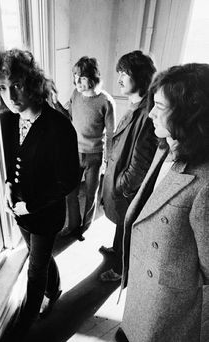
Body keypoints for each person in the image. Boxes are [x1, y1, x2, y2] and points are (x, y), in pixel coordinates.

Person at [0, 48, 79, 337]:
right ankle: (56, 286)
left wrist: (31, 205)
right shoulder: (10, 118)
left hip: (45, 214)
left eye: (17, 85)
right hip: (21, 213)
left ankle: (24, 326)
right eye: (2, 88)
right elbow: (14, 158)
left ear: (32, 82)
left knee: (35, 269)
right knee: (39, 254)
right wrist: (7, 186)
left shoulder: (59, 126)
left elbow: (70, 180)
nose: (11, 97)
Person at [116, 63, 209, 342]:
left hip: (168, 312)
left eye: (159, 105)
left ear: (190, 114)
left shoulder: (205, 183)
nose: (150, 113)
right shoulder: (167, 146)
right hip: (143, 295)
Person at [99, 50, 157, 281]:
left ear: (140, 77)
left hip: (127, 189)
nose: (119, 78)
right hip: (119, 181)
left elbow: (139, 165)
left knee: (129, 225)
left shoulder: (146, 114)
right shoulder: (135, 104)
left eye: (125, 73)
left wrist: (122, 186)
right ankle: (116, 250)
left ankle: (121, 270)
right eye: (119, 72)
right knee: (122, 223)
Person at [50, 56, 115, 240]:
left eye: (82, 77)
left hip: (95, 156)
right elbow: (67, 118)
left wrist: (109, 161)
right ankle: (72, 225)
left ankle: (84, 228)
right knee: (70, 192)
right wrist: (55, 102)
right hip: (74, 153)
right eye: (75, 77)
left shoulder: (106, 102)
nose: (76, 82)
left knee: (90, 194)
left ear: (93, 78)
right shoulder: (75, 94)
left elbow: (111, 135)